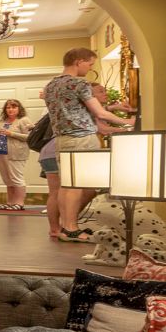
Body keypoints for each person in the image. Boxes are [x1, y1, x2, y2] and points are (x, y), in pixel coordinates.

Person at [42, 49, 131, 241]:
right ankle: (72, 227)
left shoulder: (51, 85)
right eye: (90, 64)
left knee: (67, 185)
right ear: (79, 61)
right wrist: (129, 122)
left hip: (62, 139)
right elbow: (100, 114)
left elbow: (76, 109)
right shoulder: (79, 83)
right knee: (77, 185)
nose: (90, 69)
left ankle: (66, 228)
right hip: (82, 138)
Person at [0, 98, 32, 210]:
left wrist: (11, 133)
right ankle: (10, 202)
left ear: (19, 108)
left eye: (13, 107)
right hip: (1, 153)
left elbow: (30, 137)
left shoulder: (24, 120)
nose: (10, 109)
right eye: (8, 107)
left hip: (16, 154)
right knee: (7, 179)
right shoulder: (2, 121)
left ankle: (19, 203)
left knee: (16, 178)